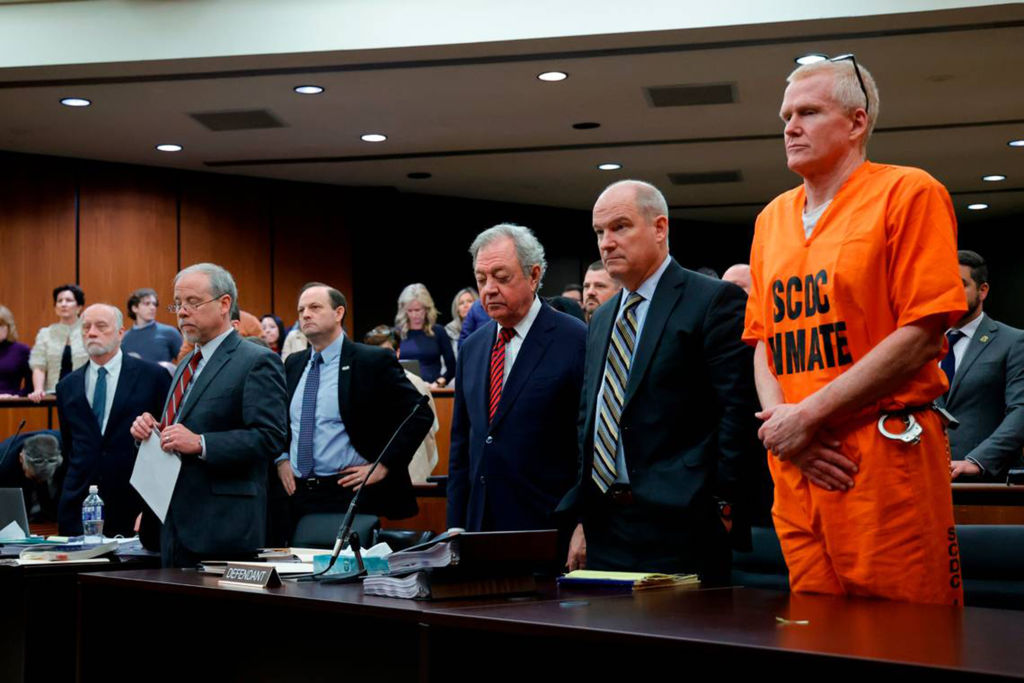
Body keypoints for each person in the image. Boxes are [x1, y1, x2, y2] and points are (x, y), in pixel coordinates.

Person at [743, 57, 966, 605]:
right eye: (786, 116)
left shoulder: (909, 192)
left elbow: (922, 332)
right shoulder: (771, 218)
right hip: (800, 462)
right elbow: (765, 340)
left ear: (857, 122)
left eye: (808, 112)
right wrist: (786, 431)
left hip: (884, 456)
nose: (790, 126)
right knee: (814, 629)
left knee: (910, 640)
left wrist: (807, 419)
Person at [557, 180, 756, 584]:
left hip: (685, 521)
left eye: (620, 227)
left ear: (660, 228)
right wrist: (583, 517)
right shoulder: (603, 317)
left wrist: (723, 506)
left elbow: (737, 412)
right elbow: (590, 422)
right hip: (606, 526)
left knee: (684, 643)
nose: (606, 243)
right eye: (599, 232)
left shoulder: (712, 301)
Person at [130, 263, 288, 567]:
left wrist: (202, 443)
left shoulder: (257, 361)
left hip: (222, 527)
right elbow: (177, 437)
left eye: (192, 302)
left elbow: (270, 437)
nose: (182, 312)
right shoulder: (186, 365)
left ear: (224, 304)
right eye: (177, 304)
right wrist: (150, 433)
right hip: (171, 524)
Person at [448, 223, 586, 534]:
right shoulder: (472, 347)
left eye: (501, 277)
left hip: (547, 525)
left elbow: (586, 445)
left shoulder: (575, 339)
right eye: (481, 279)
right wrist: (455, 527)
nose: (489, 289)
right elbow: (461, 447)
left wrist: (583, 522)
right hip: (479, 529)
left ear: (534, 275)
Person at [272, 284, 432, 544]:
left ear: (338, 313)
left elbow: (420, 413)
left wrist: (384, 464)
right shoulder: (294, 363)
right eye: (301, 309)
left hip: (349, 491)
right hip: (299, 494)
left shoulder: (371, 360)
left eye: (314, 307)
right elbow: (282, 421)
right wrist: (281, 458)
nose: (305, 315)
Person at [55, 304, 171, 537]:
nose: (91, 333)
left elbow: (166, 442)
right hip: (79, 506)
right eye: (86, 327)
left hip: (135, 504)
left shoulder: (153, 377)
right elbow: (70, 447)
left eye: (100, 326)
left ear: (120, 333)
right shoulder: (67, 386)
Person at [940, 250, 1024, 480]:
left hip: (986, 484)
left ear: (982, 290)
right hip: (926, 480)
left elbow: (1021, 410)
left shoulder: (1013, 341)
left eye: (960, 284)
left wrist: (977, 460)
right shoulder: (921, 344)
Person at [363, 324, 440, 484]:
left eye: (385, 352)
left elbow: (430, 428)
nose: (379, 358)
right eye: (373, 352)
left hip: (410, 460)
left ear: (397, 353)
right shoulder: (361, 380)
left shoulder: (414, 382)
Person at [28, 284, 88, 401]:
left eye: (69, 300)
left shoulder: (88, 331)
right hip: (53, 393)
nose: (63, 304)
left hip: (84, 392)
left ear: (79, 307)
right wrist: (38, 389)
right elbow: (39, 365)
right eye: (59, 301)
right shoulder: (45, 333)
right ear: (55, 307)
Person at [395, 283, 456, 388]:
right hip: (404, 389)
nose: (414, 315)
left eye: (418, 310)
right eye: (410, 311)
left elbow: (452, 368)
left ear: (427, 308)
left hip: (432, 389)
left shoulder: (438, 331)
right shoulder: (397, 333)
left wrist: (437, 384)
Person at [0, 431, 63, 524]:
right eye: (34, 477)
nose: (39, 482)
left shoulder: (70, 449)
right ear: (21, 458)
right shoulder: (4, 460)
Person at [121, 288, 183, 364]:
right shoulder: (124, 338)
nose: (152, 308)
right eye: (147, 304)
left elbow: (186, 363)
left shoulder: (170, 332)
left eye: (154, 304)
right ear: (135, 308)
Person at [0, 305, 32, 397]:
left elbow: (31, 386)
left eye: (0, 325)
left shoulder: (22, 351)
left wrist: (16, 396)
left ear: (9, 327)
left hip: (12, 405)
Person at [444, 288, 479, 358]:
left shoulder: (485, 327)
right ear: (457, 309)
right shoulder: (449, 331)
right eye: (461, 303)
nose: (465, 305)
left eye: (469, 301)